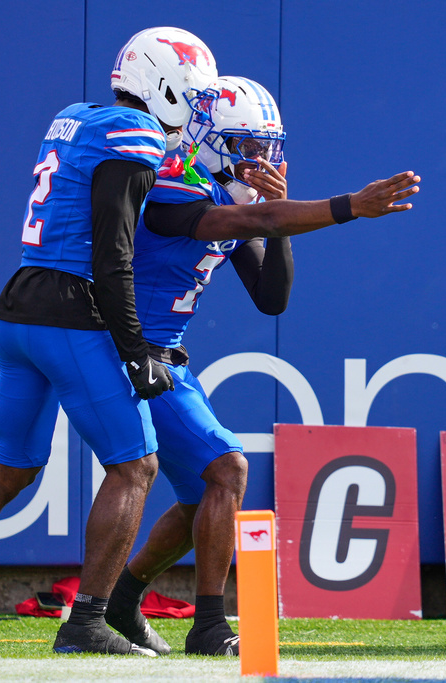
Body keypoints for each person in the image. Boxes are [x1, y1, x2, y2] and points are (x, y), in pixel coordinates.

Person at [0, 26, 217, 656]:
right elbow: (113, 254)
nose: (194, 112)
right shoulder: (136, 133)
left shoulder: (75, 117)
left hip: (18, 304)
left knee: (9, 467)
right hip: (70, 309)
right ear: (164, 85)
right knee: (135, 466)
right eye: (192, 96)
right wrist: (136, 351)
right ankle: (86, 622)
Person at [103, 76, 421, 656]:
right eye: (246, 147)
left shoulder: (236, 202)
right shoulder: (171, 183)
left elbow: (272, 298)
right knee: (228, 469)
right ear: (205, 139)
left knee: (204, 500)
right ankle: (208, 625)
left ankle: (122, 600)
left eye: (266, 147)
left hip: (167, 355)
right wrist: (345, 207)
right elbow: (248, 224)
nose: (259, 160)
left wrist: (277, 221)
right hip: (132, 352)